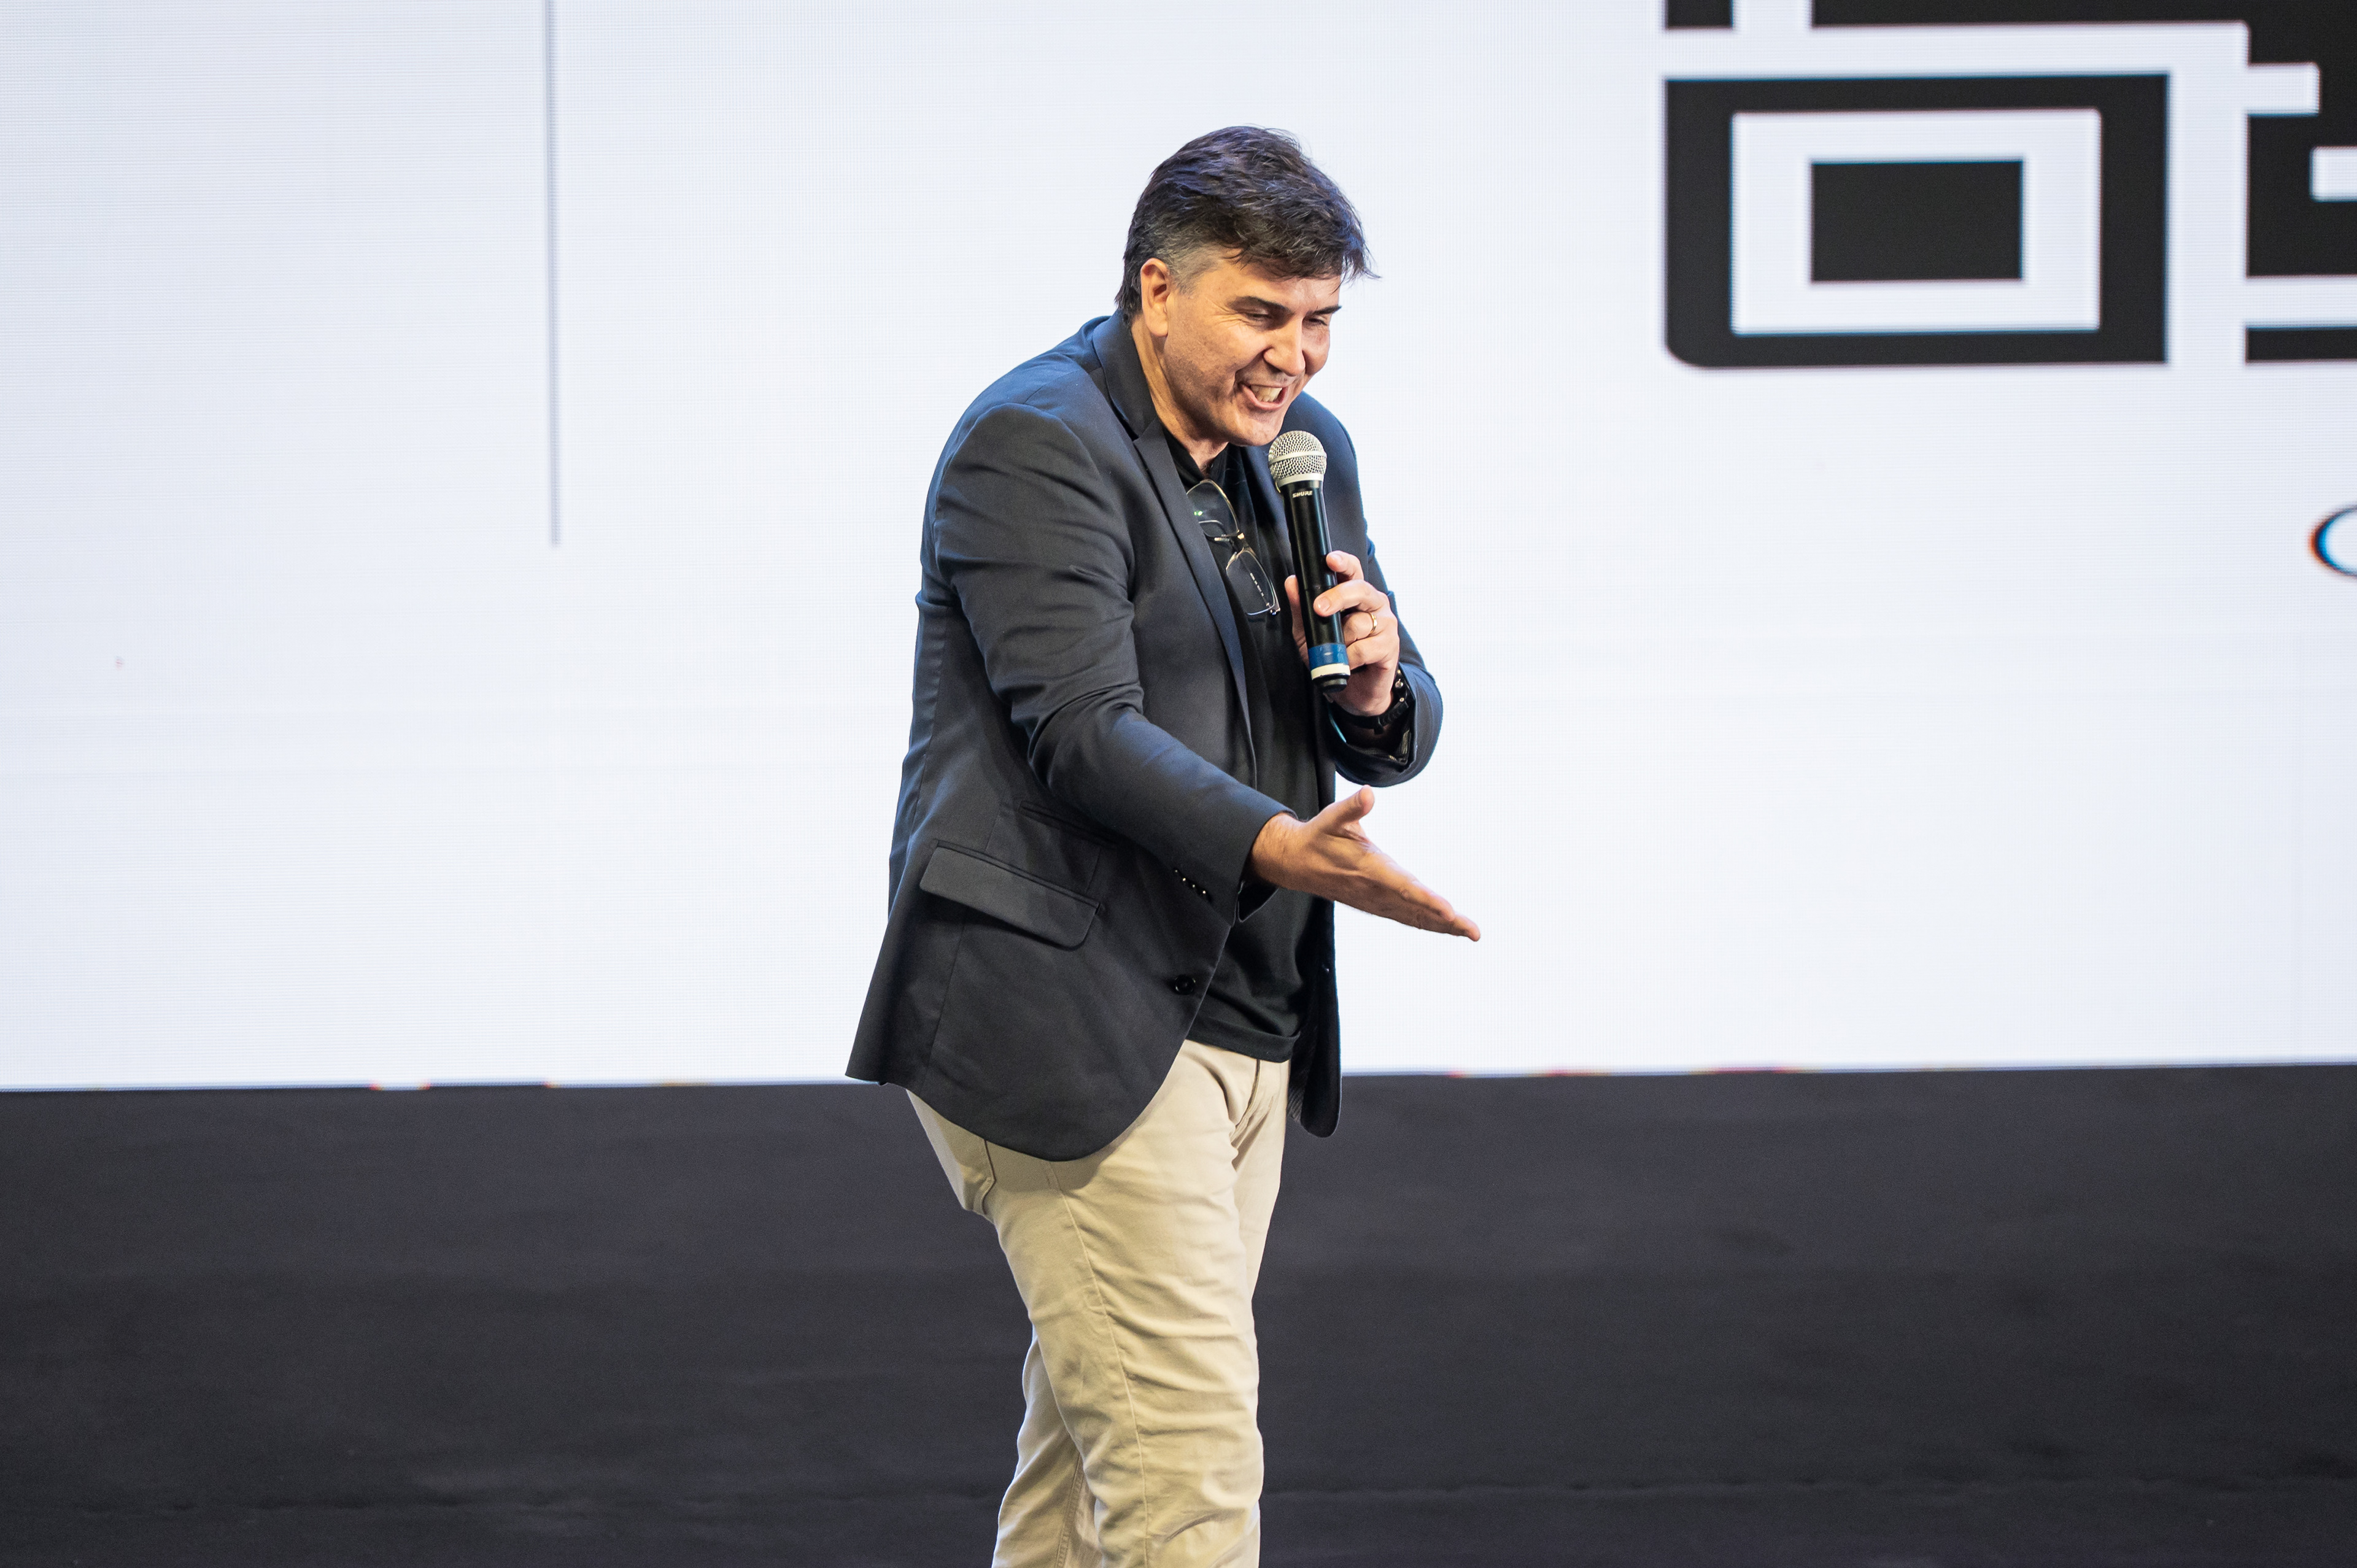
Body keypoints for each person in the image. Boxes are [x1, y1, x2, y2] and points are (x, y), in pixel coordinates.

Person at [848, 125, 1477, 1567]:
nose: (1293, 358)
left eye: (1319, 320)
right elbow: (1080, 730)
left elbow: (1387, 721)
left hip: (1243, 1014)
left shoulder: (1306, 453)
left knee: (1088, 1484)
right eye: (1261, 314)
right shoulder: (1037, 443)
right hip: (1069, 1014)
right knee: (1187, 1481)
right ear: (1156, 289)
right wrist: (1278, 846)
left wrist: (1379, 691)